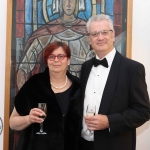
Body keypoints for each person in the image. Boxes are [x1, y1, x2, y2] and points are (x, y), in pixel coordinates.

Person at [79, 14, 150, 150]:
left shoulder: (133, 69)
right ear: (89, 39)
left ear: (113, 35)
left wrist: (109, 122)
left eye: (104, 32)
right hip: (83, 144)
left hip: (115, 145)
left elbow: (143, 111)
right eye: (95, 34)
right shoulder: (86, 67)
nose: (100, 38)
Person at [9, 41, 81, 150]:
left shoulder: (79, 87)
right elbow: (12, 123)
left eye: (61, 56)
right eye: (51, 57)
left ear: (68, 60)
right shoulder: (34, 84)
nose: (56, 60)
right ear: (47, 61)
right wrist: (29, 119)